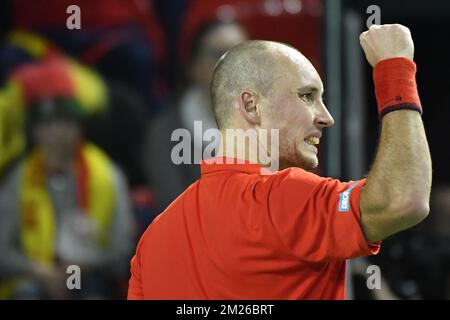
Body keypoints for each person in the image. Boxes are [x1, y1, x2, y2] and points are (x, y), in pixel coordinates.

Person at [127, 24, 432, 299]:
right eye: (307, 96)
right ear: (251, 106)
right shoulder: (287, 198)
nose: (326, 117)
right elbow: (404, 200)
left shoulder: (153, 241)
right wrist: (395, 69)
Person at [0, 58, 134, 299]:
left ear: (80, 127)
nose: (57, 133)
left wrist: (87, 263)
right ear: (34, 131)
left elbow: (123, 248)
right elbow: (2, 247)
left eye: (66, 123)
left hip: (93, 275)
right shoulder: (19, 178)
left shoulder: (107, 175)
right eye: (48, 125)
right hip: (33, 276)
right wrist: (40, 271)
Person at [142, 20, 247, 212]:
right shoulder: (165, 132)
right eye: (219, 55)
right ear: (193, 66)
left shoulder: (273, 124)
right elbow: (173, 208)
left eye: (242, 55)